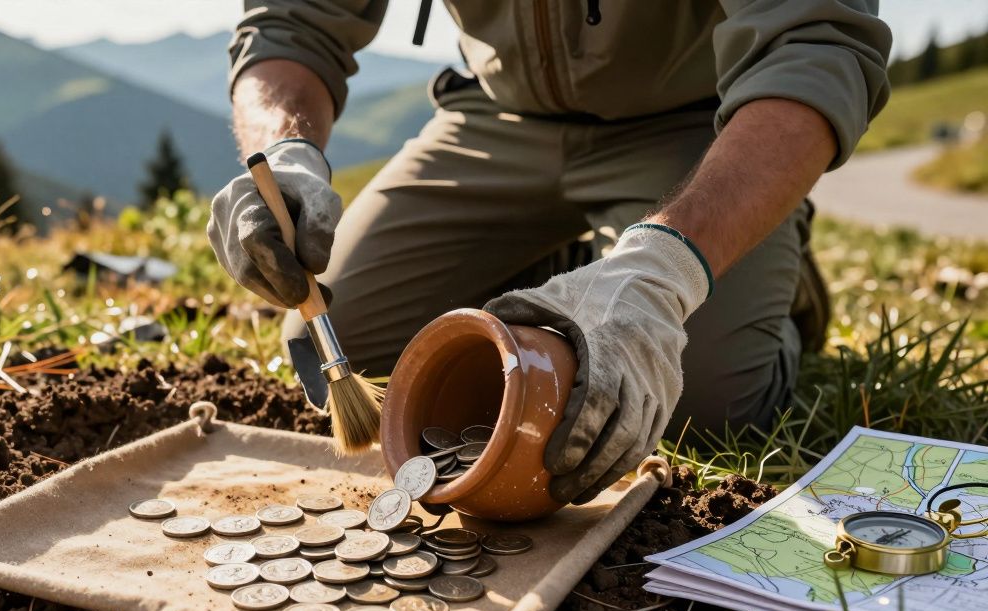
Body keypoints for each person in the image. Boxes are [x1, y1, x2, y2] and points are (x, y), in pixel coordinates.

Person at [208, 1, 891, 504]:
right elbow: (293, 23)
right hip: (498, 118)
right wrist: (288, 151)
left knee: (700, 404)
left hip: (698, 123)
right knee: (329, 341)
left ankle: (760, 275)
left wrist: (665, 269)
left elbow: (817, 45)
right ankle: (571, 272)